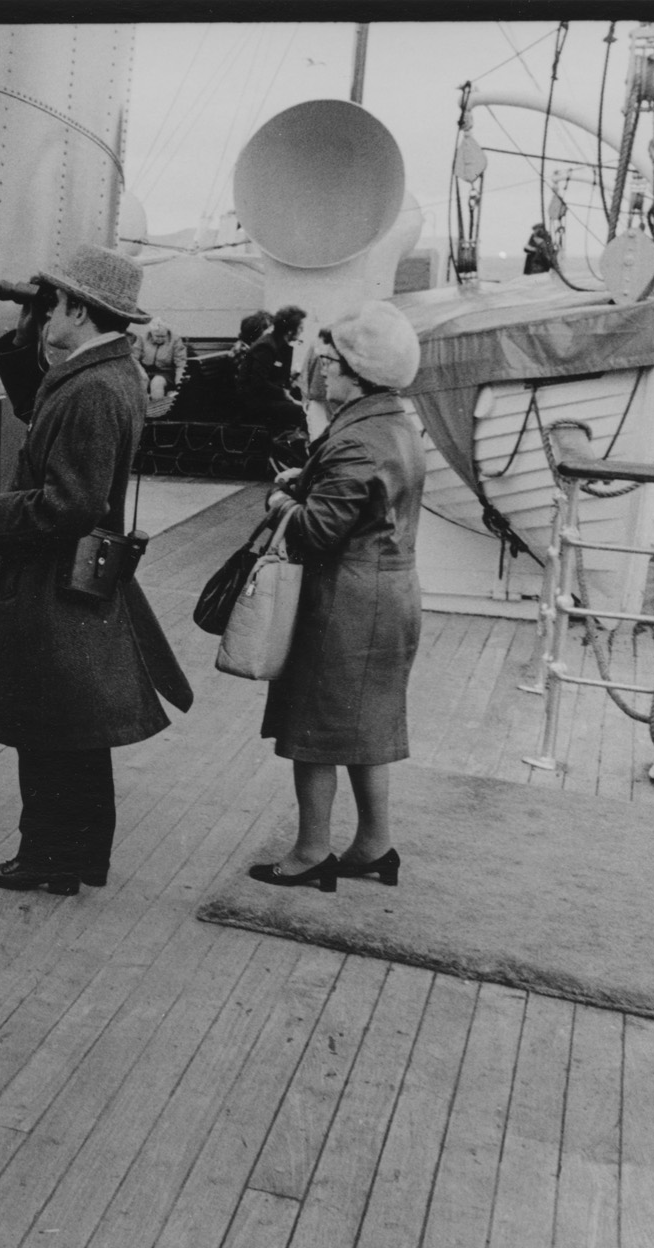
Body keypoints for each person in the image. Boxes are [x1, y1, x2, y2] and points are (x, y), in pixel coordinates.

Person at [0, 244, 194, 896]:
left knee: (49, 722)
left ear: (79, 307)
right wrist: (26, 330)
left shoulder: (94, 390)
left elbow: (69, 504)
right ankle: (70, 856)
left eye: (54, 303)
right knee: (73, 725)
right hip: (70, 578)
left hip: (52, 579)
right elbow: (34, 400)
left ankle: (49, 857)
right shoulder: (110, 374)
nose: (45, 313)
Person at [249, 300, 426, 892]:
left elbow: (319, 529)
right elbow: (365, 500)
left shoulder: (356, 440)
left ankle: (310, 853)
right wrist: (304, 482)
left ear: (357, 369)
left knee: (316, 731)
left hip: (345, 607)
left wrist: (281, 504)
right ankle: (375, 845)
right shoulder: (394, 424)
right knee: (367, 729)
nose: (319, 369)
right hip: (387, 596)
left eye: (329, 360)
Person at [239, 304, 310, 440]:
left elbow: (278, 379)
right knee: (302, 412)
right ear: (290, 330)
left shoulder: (278, 345)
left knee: (306, 401)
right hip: (255, 403)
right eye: (300, 327)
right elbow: (258, 383)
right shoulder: (266, 347)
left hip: (268, 397)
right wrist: (284, 394)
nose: (303, 330)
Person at [138, 319, 182, 398]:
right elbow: (134, 359)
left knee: (157, 383)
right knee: (140, 382)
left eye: (163, 336)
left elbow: (181, 363)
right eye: (157, 336)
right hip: (145, 371)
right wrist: (141, 372)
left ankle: (158, 408)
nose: (160, 339)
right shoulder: (142, 338)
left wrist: (179, 383)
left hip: (166, 372)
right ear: (151, 333)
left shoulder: (175, 340)